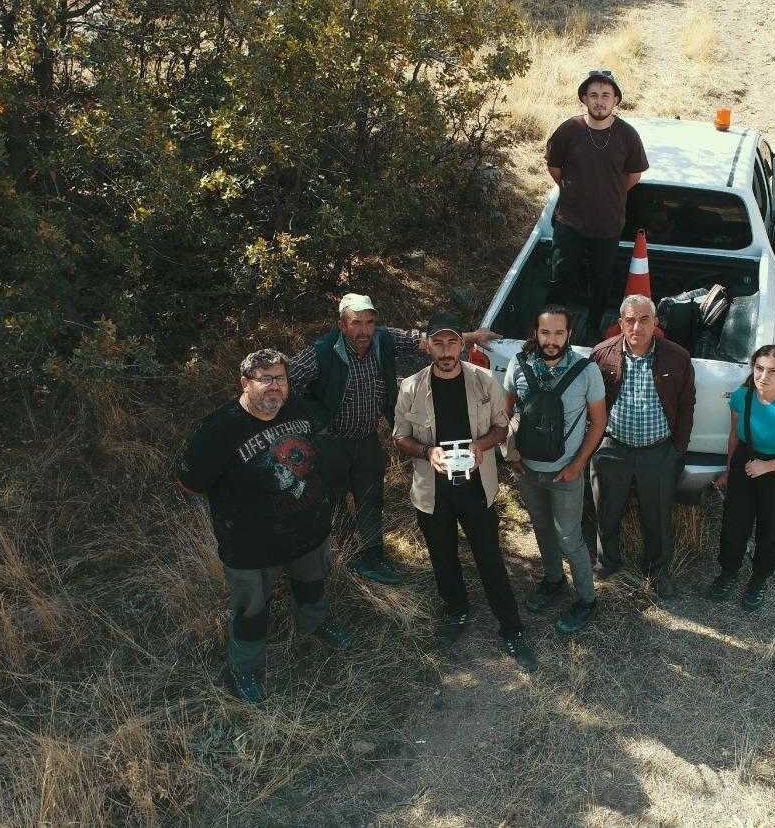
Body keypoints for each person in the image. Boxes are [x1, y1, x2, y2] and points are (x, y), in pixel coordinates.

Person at [176, 349, 355, 704]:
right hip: (250, 543)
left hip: (306, 530)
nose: (275, 387)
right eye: (265, 379)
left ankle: (315, 625)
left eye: (281, 379)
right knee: (250, 610)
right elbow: (189, 483)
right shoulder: (219, 428)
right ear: (245, 383)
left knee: (313, 584)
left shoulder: (297, 408)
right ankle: (243, 668)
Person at [290, 292, 498, 586]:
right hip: (330, 441)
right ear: (342, 325)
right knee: (335, 499)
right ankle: (348, 553)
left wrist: (473, 336)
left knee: (371, 497)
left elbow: (426, 340)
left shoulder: (383, 339)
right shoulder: (321, 352)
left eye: (369, 322)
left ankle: (373, 555)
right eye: (356, 323)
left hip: (367, 438)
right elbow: (287, 379)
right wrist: (311, 417)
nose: (364, 330)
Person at [391, 314, 538, 672]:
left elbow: (502, 428)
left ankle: (511, 628)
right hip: (432, 491)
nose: (445, 351)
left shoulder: (484, 380)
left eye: (452, 342)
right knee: (442, 556)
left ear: (462, 344)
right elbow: (399, 437)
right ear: (428, 346)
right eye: (438, 343)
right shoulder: (410, 387)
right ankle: (456, 611)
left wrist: (480, 446)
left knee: (489, 558)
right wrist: (427, 452)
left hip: (476, 488)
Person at [503, 304, 607, 634]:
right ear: (535, 332)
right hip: (527, 470)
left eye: (559, 333)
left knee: (569, 537)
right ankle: (553, 580)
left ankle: (587, 599)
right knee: (542, 527)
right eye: (545, 332)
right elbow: (505, 413)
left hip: (566, 472)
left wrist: (578, 465)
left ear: (569, 334)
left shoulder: (587, 371)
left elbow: (598, 422)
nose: (551, 340)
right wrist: (511, 454)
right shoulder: (518, 365)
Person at [588, 295, 696, 599]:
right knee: (606, 510)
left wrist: (678, 448)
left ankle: (657, 571)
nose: (637, 327)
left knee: (658, 515)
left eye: (644, 319)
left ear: (655, 323)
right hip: (613, 447)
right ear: (621, 324)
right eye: (631, 320)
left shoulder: (677, 357)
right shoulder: (601, 355)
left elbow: (687, 404)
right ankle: (607, 562)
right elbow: (588, 402)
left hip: (658, 451)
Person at [708, 345, 775, 611]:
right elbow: (735, 436)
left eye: (772, 371)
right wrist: (728, 470)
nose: (763, 376)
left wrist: (767, 467)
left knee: (770, 529)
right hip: (745, 464)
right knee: (734, 523)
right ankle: (729, 571)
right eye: (759, 368)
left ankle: (759, 579)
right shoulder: (741, 397)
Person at [545, 69, 649, 344]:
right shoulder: (569, 130)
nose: (599, 101)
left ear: (616, 100)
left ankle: (592, 328)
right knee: (560, 276)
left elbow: (634, 175)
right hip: (569, 222)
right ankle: (552, 328)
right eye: (593, 95)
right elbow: (554, 168)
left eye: (605, 95)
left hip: (607, 225)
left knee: (601, 281)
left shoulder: (628, 135)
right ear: (584, 99)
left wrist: (609, 194)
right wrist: (574, 192)